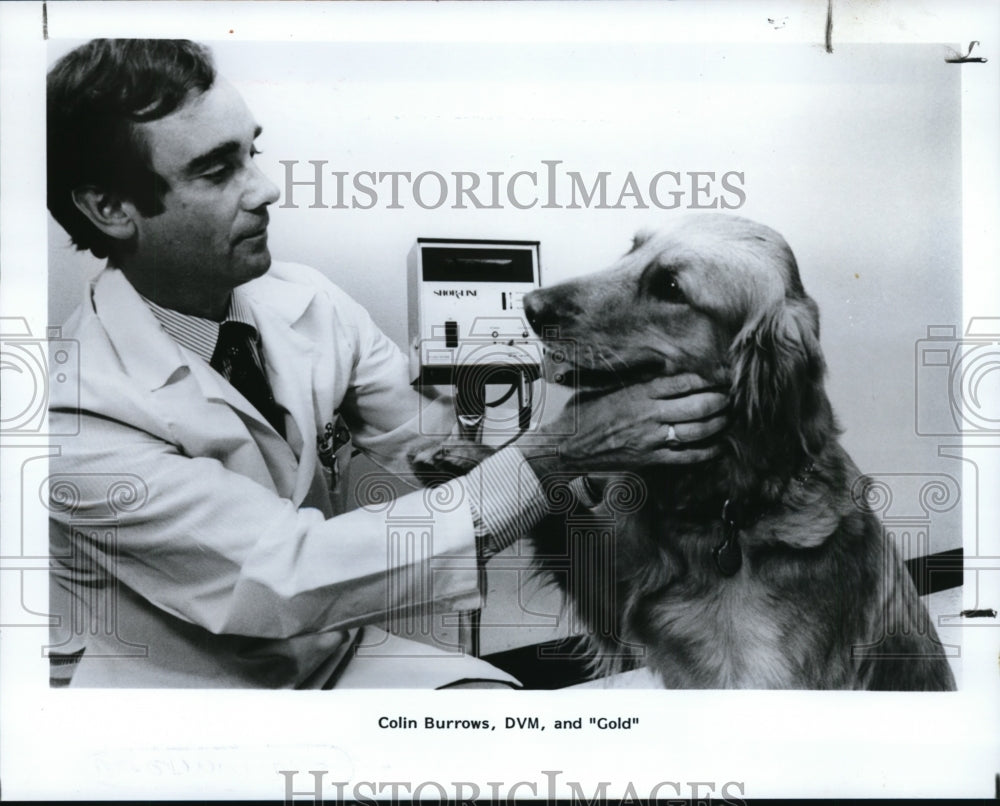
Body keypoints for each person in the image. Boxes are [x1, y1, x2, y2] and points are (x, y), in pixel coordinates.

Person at [46, 39, 727, 688]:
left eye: (253, 153)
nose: (266, 189)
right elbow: (292, 572)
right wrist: (556, 455)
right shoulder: (76, 417)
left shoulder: (308, 302)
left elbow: (429, 446)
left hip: (330, 654)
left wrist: (589, 401)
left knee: (498, 730)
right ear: (109, 208)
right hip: (188, 690)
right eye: (217, 170)